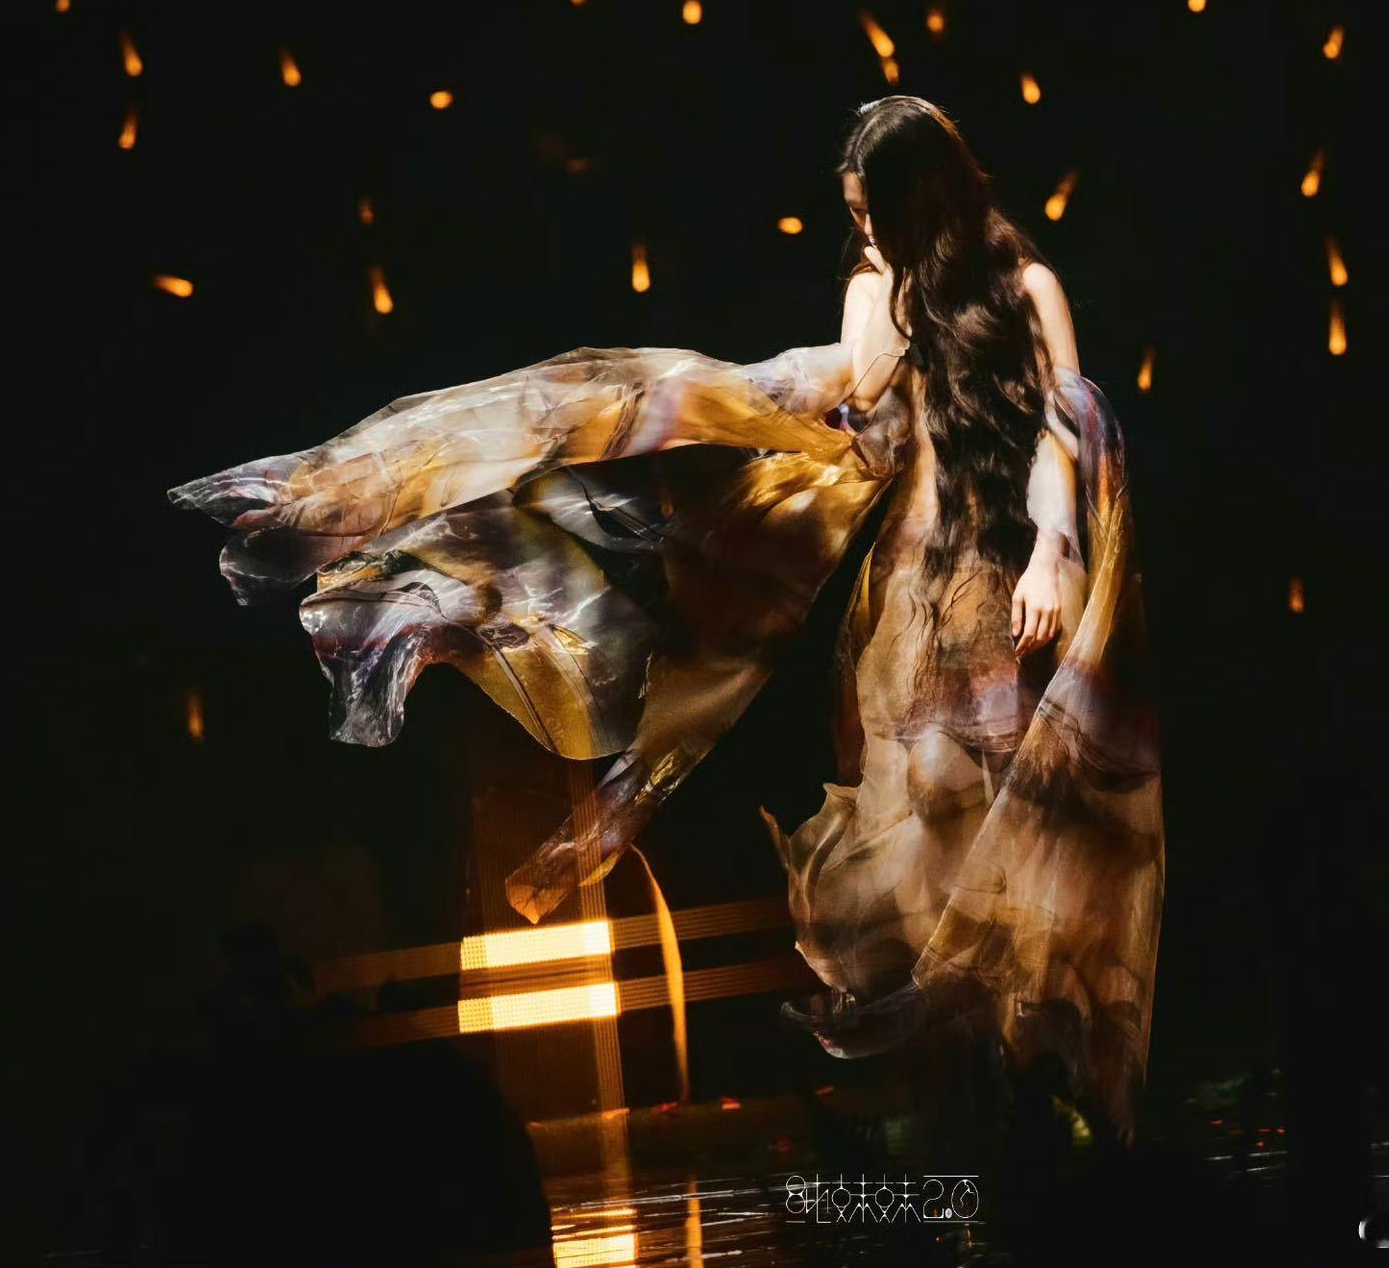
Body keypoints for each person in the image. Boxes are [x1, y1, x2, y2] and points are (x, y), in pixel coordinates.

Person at [169, 96, 1164, 1141]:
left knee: (1037, 827)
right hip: (917, 601)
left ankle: (1038, 1110)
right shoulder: (882, 288)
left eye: (873, 210)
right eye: (853, 215)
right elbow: (859, 405)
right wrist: (747, 390)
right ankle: (966, 1117)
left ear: (923, 198)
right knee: (924, 840)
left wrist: (1051, 547)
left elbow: (1067, 429)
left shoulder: (1025, 285)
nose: (862, 231)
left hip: (1013, 573)